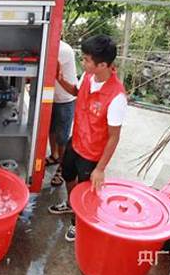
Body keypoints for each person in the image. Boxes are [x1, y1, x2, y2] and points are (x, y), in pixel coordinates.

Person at [47, 35, 128, 242]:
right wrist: (59, 79)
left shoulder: (116, 97)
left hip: (92, 154)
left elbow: (114, 138)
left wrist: (100, 169)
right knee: (68, 175)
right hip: (76, 142)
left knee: (86, 189)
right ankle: (71, 206)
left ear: (102, 64)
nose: (82, 63)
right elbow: (76, 91)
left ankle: (78, 222)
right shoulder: (88, 77)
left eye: (86, 60)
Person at [46, 40, 78, 187]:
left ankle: (61, 166)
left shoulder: (62, 50)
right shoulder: (49, 45)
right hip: (50, 97)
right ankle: (54, 156)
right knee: (50, 130)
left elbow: (48, 68)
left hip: (65, 99)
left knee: (62, 137)